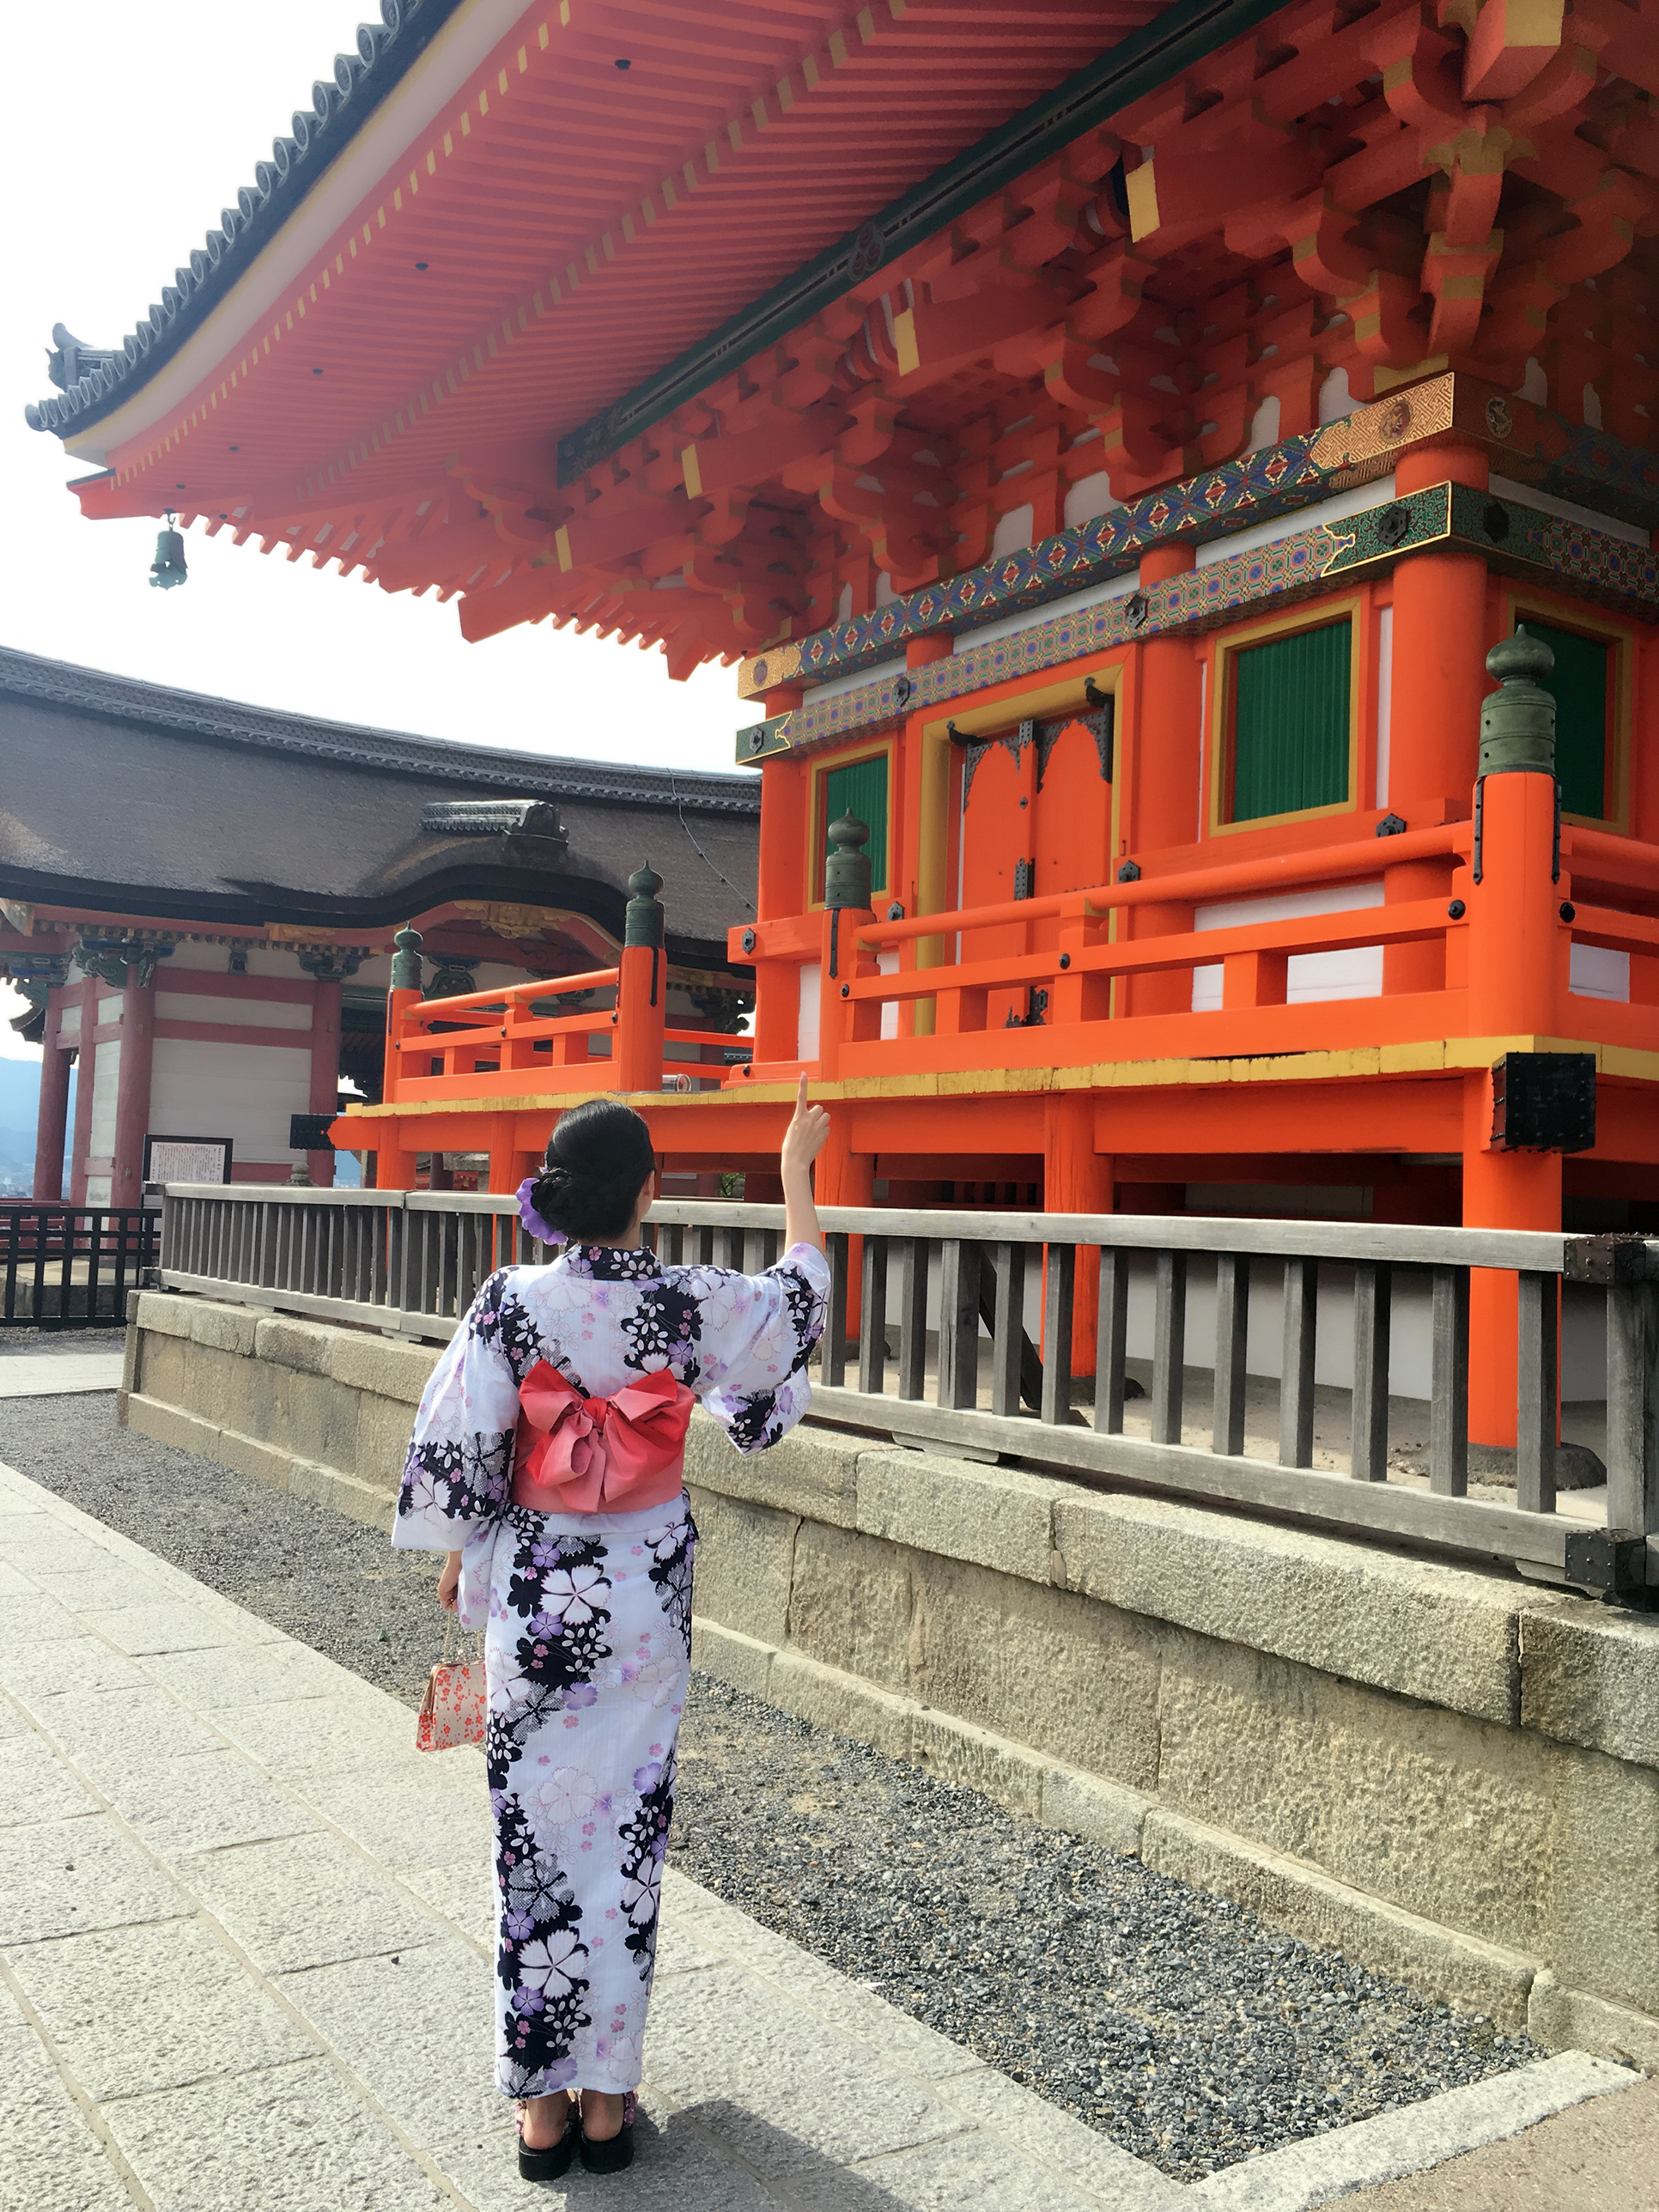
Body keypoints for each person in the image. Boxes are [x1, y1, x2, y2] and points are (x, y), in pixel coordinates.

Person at [392, 1076, 831, 2179]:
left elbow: (465, 1450)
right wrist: (796, 1178)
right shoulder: (688, 1302)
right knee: (627, 1840)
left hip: (539, 1595)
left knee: (532, 1843)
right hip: (641, 1599)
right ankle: (606, 2105)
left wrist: (463, 1552)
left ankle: (539, 2111)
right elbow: (796, 1307)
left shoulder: (509, 1300)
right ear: (648, 1191)